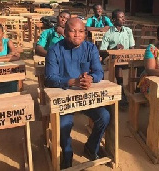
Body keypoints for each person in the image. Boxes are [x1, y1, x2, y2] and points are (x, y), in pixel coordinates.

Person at [45, 18, 110, 169]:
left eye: (81, 31)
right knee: (64, 124)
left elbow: (99, 72)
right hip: (64, 100)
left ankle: (91, 147)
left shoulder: (90, 48)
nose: (77, 35)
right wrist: (71, 82)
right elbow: (49, 78)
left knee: (104, 116)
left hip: (86, 98)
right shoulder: (55, 50)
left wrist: (90, 78)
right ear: (64, 32)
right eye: (73, 31)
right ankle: (67, 153)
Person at [100, 9, 135, 105]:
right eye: (121, 17)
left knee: (142, 63)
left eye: (124, 17)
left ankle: (137, 90)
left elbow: (132, 47)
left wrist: (131, 55)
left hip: (127, 57)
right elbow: (102, 51)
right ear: (114, 20)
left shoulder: (128, 31)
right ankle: (122, 91)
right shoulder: (108, 33)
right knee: (117, 64)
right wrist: (115, 48)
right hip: (113, 58)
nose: (124, 19)